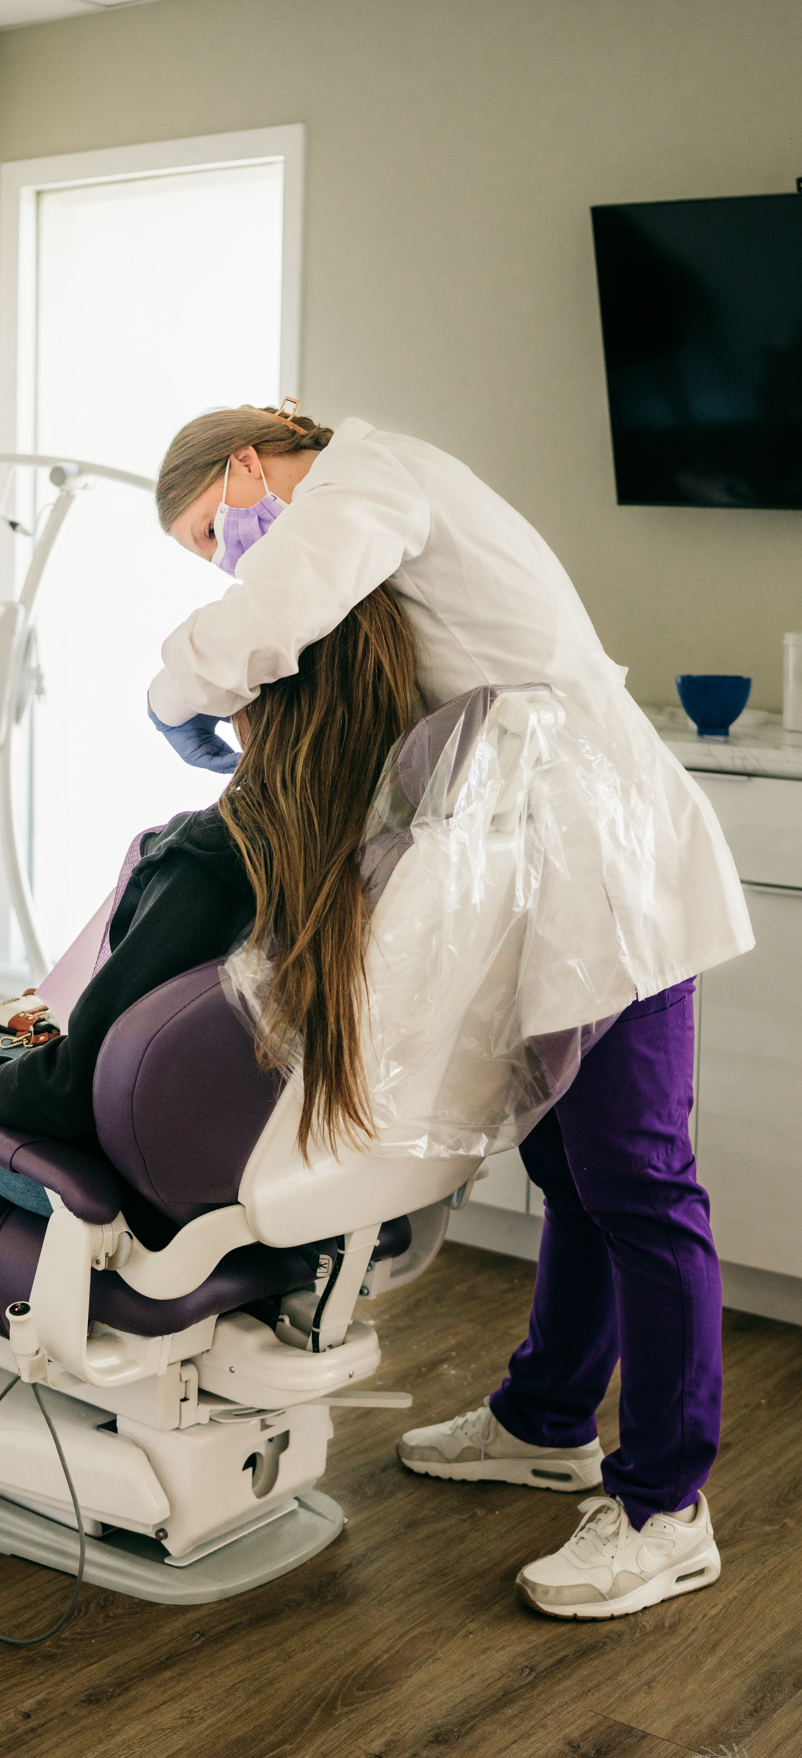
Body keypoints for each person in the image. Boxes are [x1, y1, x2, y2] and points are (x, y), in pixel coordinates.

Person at [149, 401, 752, 1621]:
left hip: (611, 864)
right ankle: (544, 1420)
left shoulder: (371, 483)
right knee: (571, 1174)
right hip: (539, 867)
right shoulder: (376, 504)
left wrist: (173, 695)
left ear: (247, 465)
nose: (233, 558)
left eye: (219, 531)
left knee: (636, 1180)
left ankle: (663, 1509)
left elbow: (265, 621)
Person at [0, 580, 419, 1187]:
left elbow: (65, 1095)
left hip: (101, 1179)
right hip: (253, 1175)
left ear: (251, 697)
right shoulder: (380, 854)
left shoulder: (216, 859)